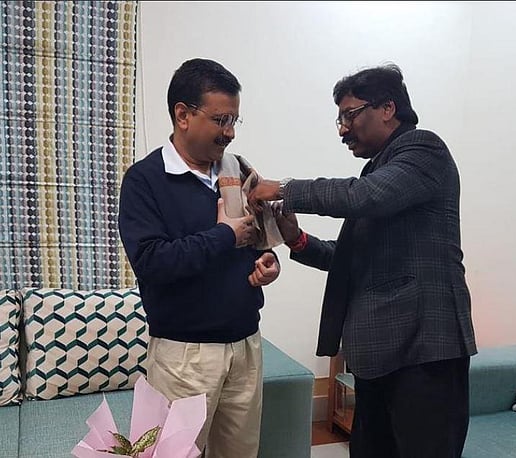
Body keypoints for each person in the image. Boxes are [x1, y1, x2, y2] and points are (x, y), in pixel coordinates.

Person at [249, 63, 477, 458]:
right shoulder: (380, 170)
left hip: (423, 351)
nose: (342, 129)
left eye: (349, 115)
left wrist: (284, 188)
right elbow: (350, 257)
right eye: (339, 119)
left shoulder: (424, 150)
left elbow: (360, 196)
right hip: (380, 355)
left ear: (388, 108)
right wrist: (296, 239)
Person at [118, 58, 280, 458]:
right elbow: (152, 262)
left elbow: (257, 239)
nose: (230, 132)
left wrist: (265, 263)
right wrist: (224, 235)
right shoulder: (144, 180)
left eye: (234, 121)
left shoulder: (238, 169)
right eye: (221, 120)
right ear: (183, 115)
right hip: (184, 355)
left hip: (246, 344)